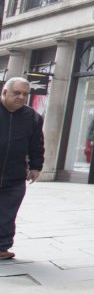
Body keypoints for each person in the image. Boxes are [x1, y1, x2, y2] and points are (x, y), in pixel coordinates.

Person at [0, 78, 43, 261]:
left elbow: (36, 144)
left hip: (15, 175)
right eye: (17, 93)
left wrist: (35, 166)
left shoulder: (32, 117)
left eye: (25, 94)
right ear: (4, 93)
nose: (21, 97)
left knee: (8, 213)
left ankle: (2, 247)